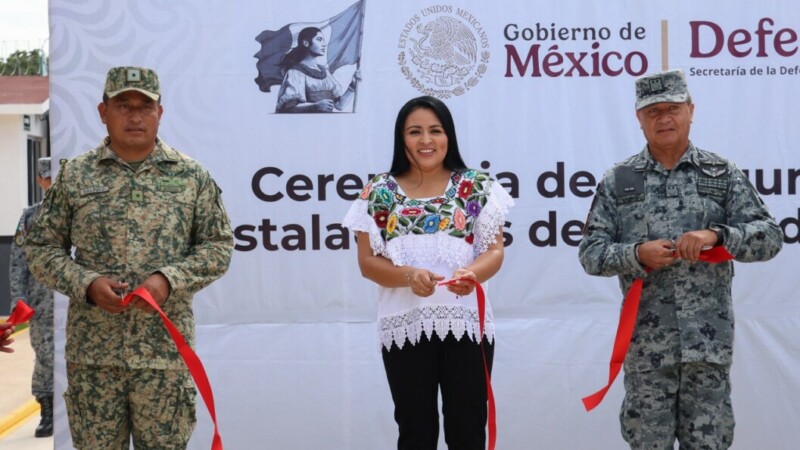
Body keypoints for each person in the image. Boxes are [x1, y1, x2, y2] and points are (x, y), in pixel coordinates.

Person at [24, 66, 234, 449]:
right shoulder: (75, 177)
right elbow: (40, 248)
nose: (135, 116)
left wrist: (168, 279)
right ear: (103, 112)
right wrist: (85, 284)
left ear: (160, 113)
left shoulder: (190, 177)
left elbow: (218, 247)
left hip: (164, 357)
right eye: (123, 105)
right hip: (94, 358)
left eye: (145, 106)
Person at [579, 69, 783, 449]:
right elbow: (590, 254)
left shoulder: (721, 174)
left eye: (672, 108)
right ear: (639, 119)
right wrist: (635, 254)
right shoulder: (618, 180)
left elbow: (770, 237)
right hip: (647, 350)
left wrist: (718, 235)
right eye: (653, 111)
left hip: (707, 346)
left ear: (691, 110)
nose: (664, 118)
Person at [343, 95, 513, 449]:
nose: (425, 141)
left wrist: (472, 274)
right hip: (405, 326)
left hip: (467, 325)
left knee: (467, 430)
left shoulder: (476, 186)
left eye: (435, 131)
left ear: (448, 136)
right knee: (415, 430)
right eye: (415, 132)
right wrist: (408, 275)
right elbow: (368, 264)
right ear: (400, 138)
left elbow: (494, 251)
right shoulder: (377, 193)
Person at [9, 156, 55, 437]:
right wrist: (18, 301)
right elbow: (18, 262)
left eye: (56, 178)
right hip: (42, 303)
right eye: (47, 178)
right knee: (46, 357)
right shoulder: (30, 217)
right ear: (40, 181)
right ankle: (47, 410)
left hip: (75, 302)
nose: (52, 183)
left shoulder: (80, 212)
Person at [275, 26, 359, 113]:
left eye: (323, 40)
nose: (324, 44)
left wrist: (352, 86)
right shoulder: (295, 72)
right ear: (306, 43)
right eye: (319, 39)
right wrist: (314, 107)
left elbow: (339, 105)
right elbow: (288, 108)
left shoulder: (325, 72)